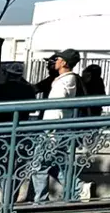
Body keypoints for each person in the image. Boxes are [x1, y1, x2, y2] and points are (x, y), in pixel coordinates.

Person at [22, 50, 81, 203]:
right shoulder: (65, 80)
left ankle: (40, 200)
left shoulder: (64, 81)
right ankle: (80, 188)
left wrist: (50, 129)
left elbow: (57, 106)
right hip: (57, 128)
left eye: (58, 59)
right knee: (56, 165)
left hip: (52, 128)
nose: (55, 61)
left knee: (38, 165)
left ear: (65, 63)